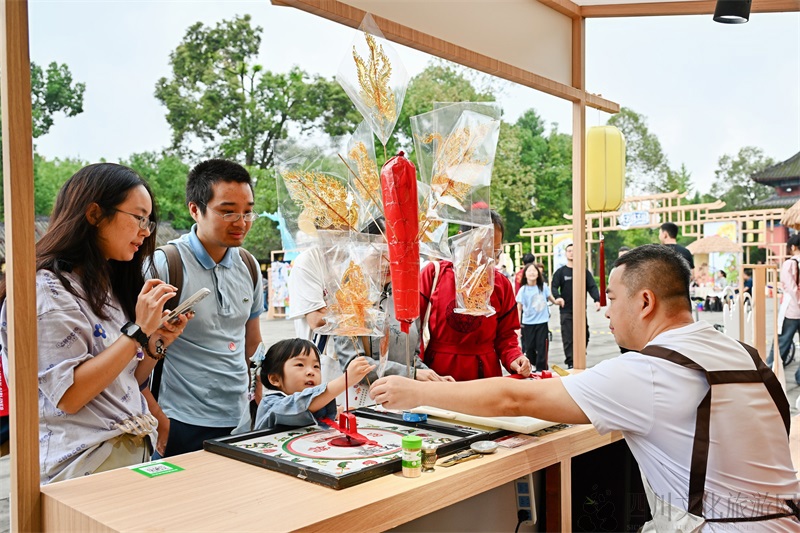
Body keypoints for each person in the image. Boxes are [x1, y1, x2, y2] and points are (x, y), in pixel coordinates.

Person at [371, 244, 800, 530]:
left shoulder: (648, 372)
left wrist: (420, 393)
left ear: (645, 301)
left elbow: (514, 397)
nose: (605, 310)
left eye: (611, 298)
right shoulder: (741, 352)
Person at [0, 163, 190, 483]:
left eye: (149, 220)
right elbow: (71, 395)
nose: (146, 231)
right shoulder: (46, 291)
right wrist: (137, 331)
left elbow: (123, 379)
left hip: (123, 451)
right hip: (82, 463)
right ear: (94, 214)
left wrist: (156, 342)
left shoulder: (102, 286)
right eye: (138, 217)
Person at [149, 159, 264, 457]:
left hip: (240, 419)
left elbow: (252, 342)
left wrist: (261, 390)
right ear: (194, 209)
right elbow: (133, 352)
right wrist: (162, 424)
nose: (241, 222)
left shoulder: (249, 265)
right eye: (228, 211)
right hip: (181, 419)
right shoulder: (166, 264)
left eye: (248, 211)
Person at [419, 210, 531, 381]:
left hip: (484, 375)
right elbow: (413, 331)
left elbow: (506, 336)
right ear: (461, 239)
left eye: (494, 252)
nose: (486, 258)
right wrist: (416, 370)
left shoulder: (501, 284)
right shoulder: (435, 274)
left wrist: (516, 358)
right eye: (480, 249)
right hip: (438, 374)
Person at [250, 339, 373, 431]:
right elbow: (300, 405)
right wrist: (345, 380)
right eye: (300, 365)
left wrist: (333, 413)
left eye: (316, 366)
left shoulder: (314, 403)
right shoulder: (271, 403)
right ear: (275, 379)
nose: (311, 372)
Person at [550, 243, 602, 369]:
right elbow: (554, 286)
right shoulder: (561, 272)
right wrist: (558, 297)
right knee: (568, 338)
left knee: (585, 334)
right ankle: (571, 362)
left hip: (580, 310)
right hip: (566, 311)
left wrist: (597, 299)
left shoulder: (583, 271)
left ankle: (579, 354)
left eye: (574, 251)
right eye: (569, 251)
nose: (571, 253)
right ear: (565, 254)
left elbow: (592, 286)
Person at [768, 234, 800, 376]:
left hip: (792, 309)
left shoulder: (789, 264)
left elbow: (791, 288)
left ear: (793, 247)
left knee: (782, 342)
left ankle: (770, 372)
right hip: (794, 308)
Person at [516, 264, 557, 372]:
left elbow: (551, 298)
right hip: (528, 323)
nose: (532, 273)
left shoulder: (543, 287)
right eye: (529, 271)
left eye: (534, 271)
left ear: (538, 274)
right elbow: (519, 308)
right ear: (525, 274)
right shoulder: (523, 290)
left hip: (542, 322)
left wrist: (558, 301)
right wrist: (517, 326)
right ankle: (532, 365)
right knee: (529, 348)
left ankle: (541, 369)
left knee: (542, 347)